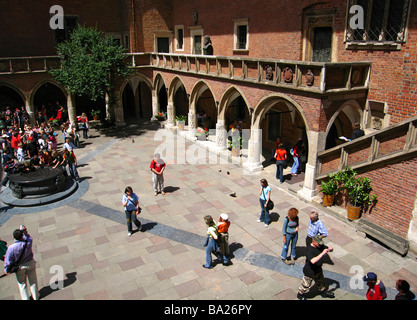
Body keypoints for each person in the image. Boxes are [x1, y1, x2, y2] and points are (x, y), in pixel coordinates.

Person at [3, 225, 39, 300]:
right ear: (22, 235)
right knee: (33, 281)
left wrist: (6, 269)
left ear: (14, 237)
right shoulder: (28, 242)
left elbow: (8, 260)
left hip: (19, 267)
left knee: (22, 284)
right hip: (30, 263)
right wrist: (25, 231)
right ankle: (36, 296)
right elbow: (28, 237)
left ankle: (25, 298)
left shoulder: (11, 248)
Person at [297, 235, 335, 300]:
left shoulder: (320, 246)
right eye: (319, 243)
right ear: (314, 242)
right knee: (306, 285)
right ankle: (300, 295)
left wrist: (330, 249)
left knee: (321, 282)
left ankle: (323, 293)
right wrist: (322, 253)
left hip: (318, 269)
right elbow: (313, 261)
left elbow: (327, 248)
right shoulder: (309, 250)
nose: (320, 244)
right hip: (310, 271)